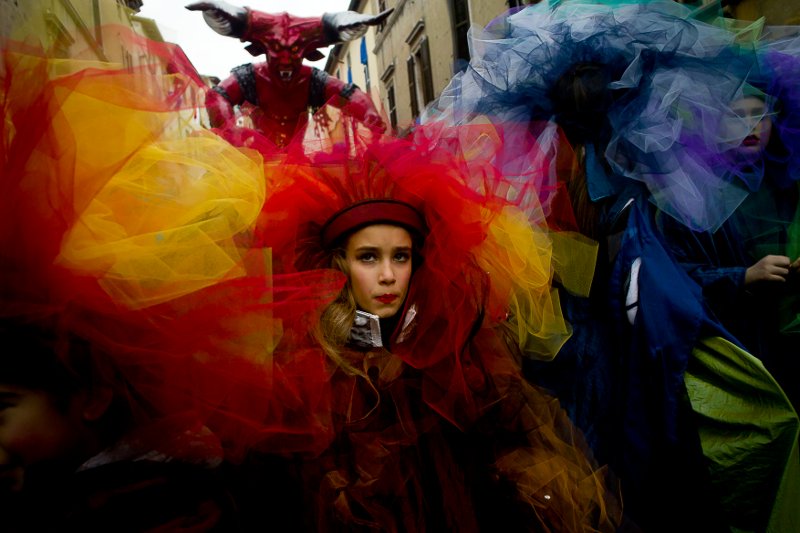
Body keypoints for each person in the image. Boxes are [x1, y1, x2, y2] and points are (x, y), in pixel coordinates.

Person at [255, 113, 626, 531]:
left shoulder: (455, 344)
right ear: (340, 264)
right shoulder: (315, 365)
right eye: (368, 257)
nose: (388, 275)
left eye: (400, 256)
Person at [186, 0, 390, 149]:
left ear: (307, 53)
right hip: (257, 160)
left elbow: (349, 94)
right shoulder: (249, 77)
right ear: (262, 49)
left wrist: (369, 115)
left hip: (296, 161)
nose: (285, 61)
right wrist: (231, 133)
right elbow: (218, 96)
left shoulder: (312, 80)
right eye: (276, 48)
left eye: (294, 51)